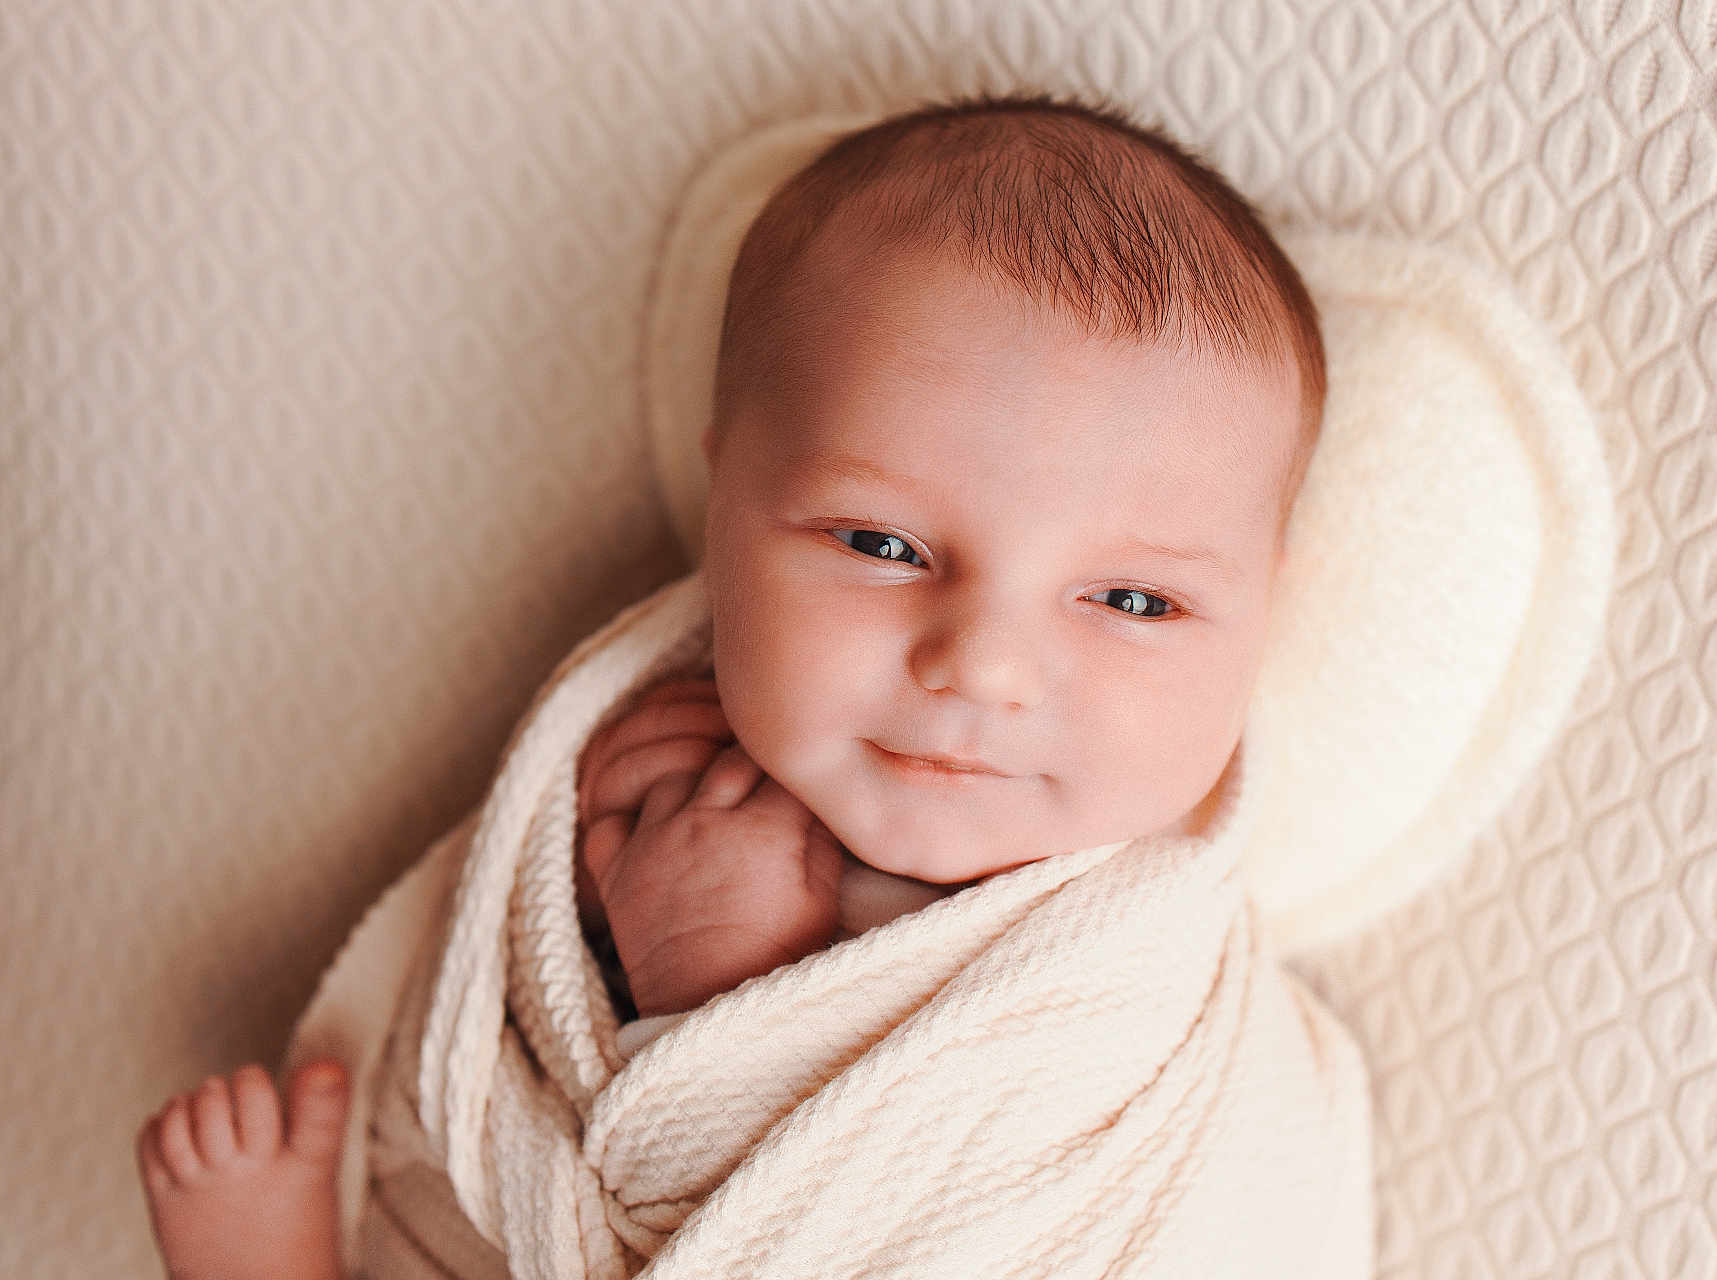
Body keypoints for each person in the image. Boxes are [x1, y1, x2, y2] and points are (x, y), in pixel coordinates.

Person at [135, 90, 1327, 1278]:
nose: (983, 664)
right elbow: (522, 1103)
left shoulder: (1137, 1004)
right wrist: (608, 915)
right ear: (726, 503)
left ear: (1262, 605)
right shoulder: (649, 762)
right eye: (881, 544)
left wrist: (720, 974)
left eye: (1133, 601)